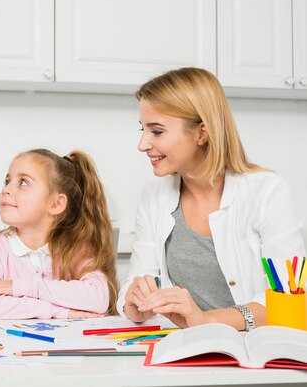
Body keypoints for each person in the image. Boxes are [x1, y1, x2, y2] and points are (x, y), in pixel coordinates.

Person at [118, 67, 306, 330]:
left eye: (157, 131)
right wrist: (133, 302)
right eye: (143, 129)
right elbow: (138, 278)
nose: (142, 144)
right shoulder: (154, 196)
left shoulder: (267, 191)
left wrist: (206, 320)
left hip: (252, 349)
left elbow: (290, 296)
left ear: (201, 133)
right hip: (179, 348)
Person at [0, 149, 118, 319]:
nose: (6, 190)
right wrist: (60, 312)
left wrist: (19, 287)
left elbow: (98, 298)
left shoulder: (74, 247)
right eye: (7, 181)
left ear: (56, 204)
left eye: (23, 182)